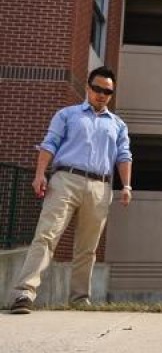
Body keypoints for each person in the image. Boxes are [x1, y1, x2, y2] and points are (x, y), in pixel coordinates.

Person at [9, 66, 132, 314]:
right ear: (87, 87)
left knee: (88, 247)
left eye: (107, 91)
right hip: (66, 179)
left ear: (111, 93)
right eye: (97, 88)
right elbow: (50, 143)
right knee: (46, 236)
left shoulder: (118, 125)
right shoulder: (67, 115)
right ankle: (24, 293)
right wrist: (39, 174)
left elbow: (123, 155)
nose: (101, 94)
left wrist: (126, 185)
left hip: (100, 186)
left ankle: (79, 300)